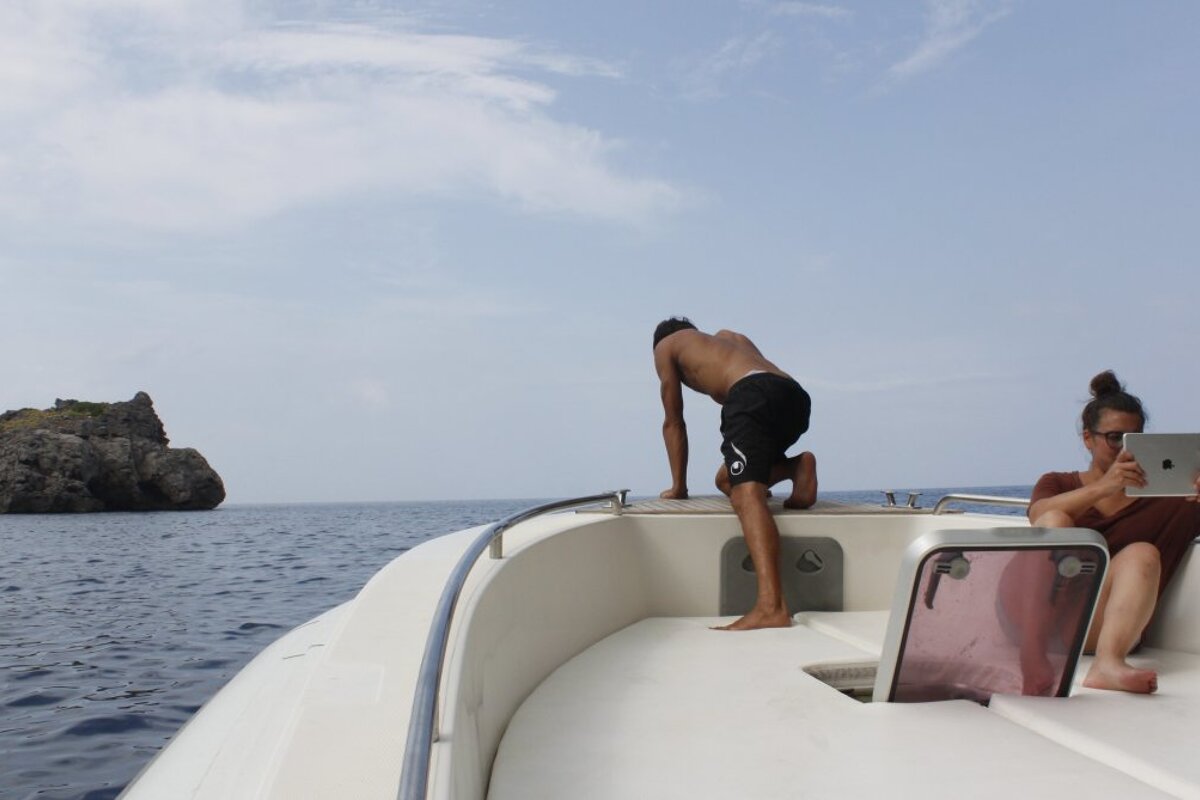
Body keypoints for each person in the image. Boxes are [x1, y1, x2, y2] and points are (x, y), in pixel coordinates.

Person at [1028, 370, 1200, 693]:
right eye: (1113, 438)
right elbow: (1039, 517)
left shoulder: (1176, 500)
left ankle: (1108, 664)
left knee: (1142, 553)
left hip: (1105, 628)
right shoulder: (1056, 483)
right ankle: (1033, 652)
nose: (1123, 449)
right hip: (1048, 621)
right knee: (1056, 519)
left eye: (1133, 438)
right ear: (1088, 439)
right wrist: (1105, 487)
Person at [652, 317, 817, 631]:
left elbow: (674, 421)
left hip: (751, 393)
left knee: (745, 492)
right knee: (726, 480)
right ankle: (797, 468)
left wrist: (679, 487)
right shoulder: (731, 337)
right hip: (793, 397)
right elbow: (766, 386)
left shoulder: (666, 346)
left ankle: (771, 608)